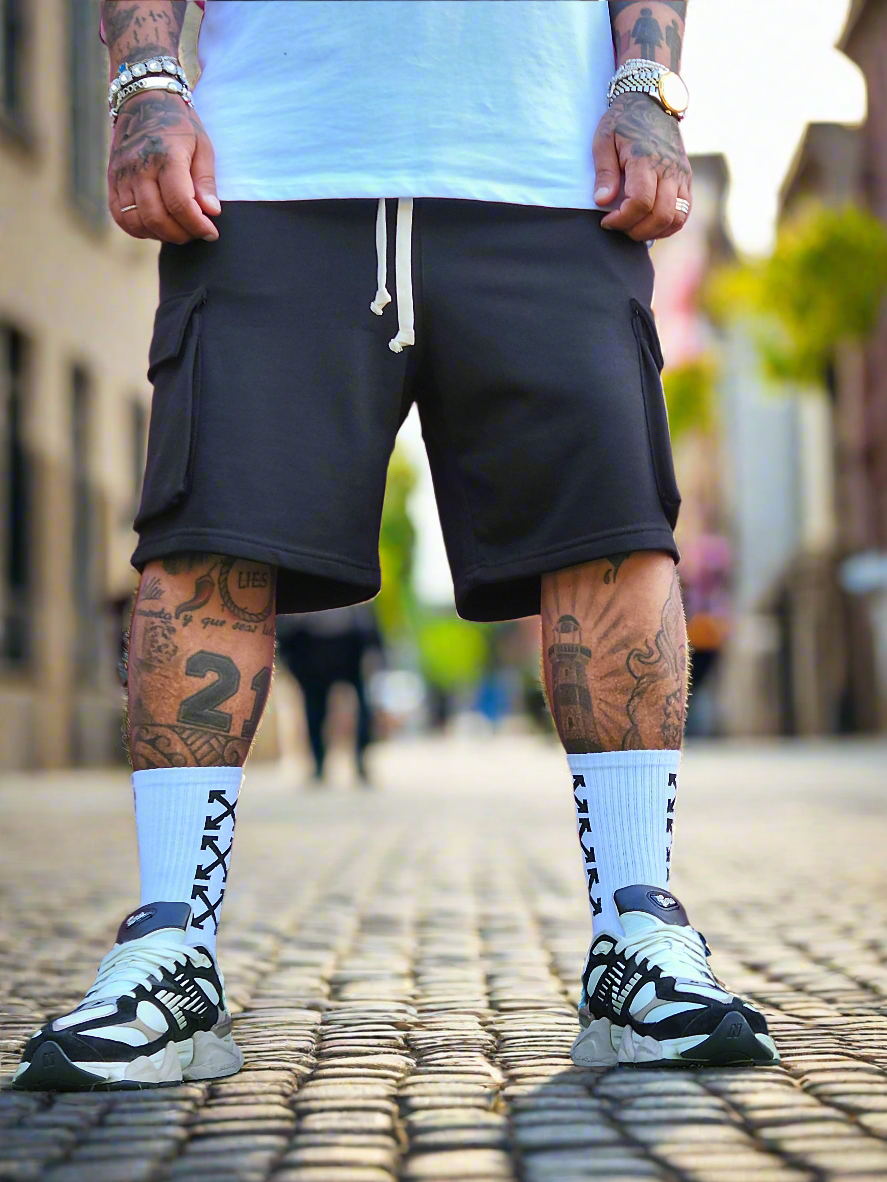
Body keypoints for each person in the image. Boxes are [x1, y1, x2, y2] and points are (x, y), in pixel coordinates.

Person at [13, 0, 777, 1091]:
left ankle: (637, 934)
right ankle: (170, 950)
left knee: (610, 536)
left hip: (551, 171)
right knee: (207, 541)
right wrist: (144, 78)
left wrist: (647, 86)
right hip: (267, 171)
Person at [276, 604, 383, 783]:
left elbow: (367, 617)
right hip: (312, 647)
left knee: (363, 711)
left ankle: (361, 760)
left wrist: (374, 650)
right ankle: (318, 763)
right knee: (315, 710)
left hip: (350, 645)